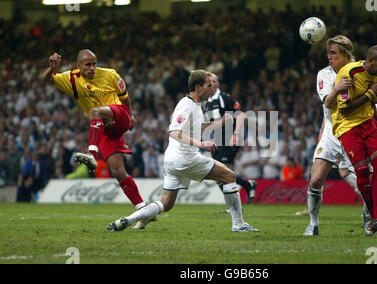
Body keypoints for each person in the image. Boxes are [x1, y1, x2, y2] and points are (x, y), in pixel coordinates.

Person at [107, 70, 259, 232]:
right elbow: (173, 131)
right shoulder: (187, 106)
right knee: (229, 176)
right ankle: (239, 224)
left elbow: (196, 127)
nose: (212, 89)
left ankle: (129, 220)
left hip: (172, 160)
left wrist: (219, 123)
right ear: (198, 87)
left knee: (166, 203)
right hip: (185, 158)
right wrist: (200, 144)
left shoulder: (195, 105)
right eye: (209, 86)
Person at [41, 50, 146, 211]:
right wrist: (52, 68)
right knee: (118, 171)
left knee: (94, 111)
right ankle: (143, 209)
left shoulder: (110, 74)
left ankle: (92, 156)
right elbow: (45, 80)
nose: (92, 68)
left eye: (94, 64)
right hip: (105, 129)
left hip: (119, 114)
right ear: (78, 66)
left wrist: (130, 117)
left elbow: (125, 98)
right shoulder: (71, 79)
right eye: (88, 65)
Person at [303, 35, 370, 236]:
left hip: (355, 131)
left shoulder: (360, 71)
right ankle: (313, 224)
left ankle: (370, 216)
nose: (329, 57)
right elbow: (328, 103)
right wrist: (338, 88)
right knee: (315, 180)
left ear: (346, 54)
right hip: (332, 133)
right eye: (328, 53)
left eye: (333, 53)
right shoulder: (324, 74)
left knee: (365, 181)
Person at [332, 45, 377, 238]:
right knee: (361, 170)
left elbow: (369, 102)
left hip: (369, 122)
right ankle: (375, 218)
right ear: (370, 61)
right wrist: (370, 94)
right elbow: (345, 109)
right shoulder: (348, 73)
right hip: (347, 126)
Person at [203, 73, 257, 204]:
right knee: (216, 174)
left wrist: (236, 134)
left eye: (214, 81)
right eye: (209, 82)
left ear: (218, 84)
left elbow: (240, 115)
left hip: (229, 137)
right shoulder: (207, 102)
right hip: (216, 140)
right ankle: (247, 185)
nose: (211, 84)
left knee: (223, 169)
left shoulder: (224, 98)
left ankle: (234, 204)